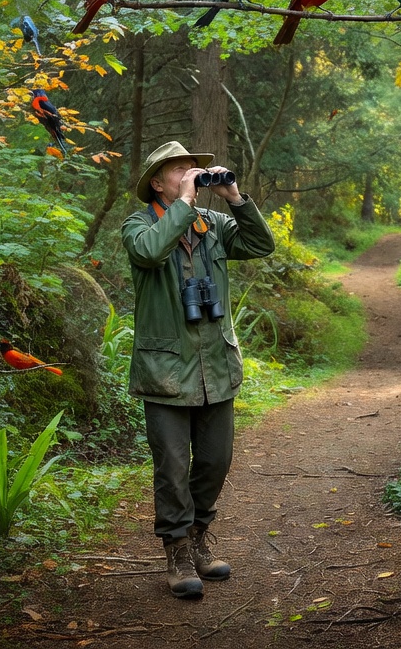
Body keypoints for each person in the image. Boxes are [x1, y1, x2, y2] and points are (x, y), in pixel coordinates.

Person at [121, 141, 275, 598]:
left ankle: (199, 536)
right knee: (171, 467)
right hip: (166, 372)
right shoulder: (139, 225)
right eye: (180, 169)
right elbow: (150, 252)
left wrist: (234, 197)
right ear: (157, 181)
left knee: (214, 461)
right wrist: (186, 206)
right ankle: (178, 552)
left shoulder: (215, 225)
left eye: (194, 168)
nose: (190, 173)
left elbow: (260, 244)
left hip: (215, 368)